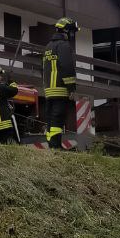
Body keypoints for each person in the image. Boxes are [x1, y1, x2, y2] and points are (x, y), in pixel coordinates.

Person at [42, 17, 78, 149]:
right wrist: (71, 88)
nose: (72, 35)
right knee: (58, 119)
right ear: (66, 31)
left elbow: (43, 68)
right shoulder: (64, 46)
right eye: (72, 32)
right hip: (60, 88)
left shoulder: (48, 47)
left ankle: (52, 144)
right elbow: (67, 67)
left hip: (49, 90)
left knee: (51, 119)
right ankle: (56, 146)